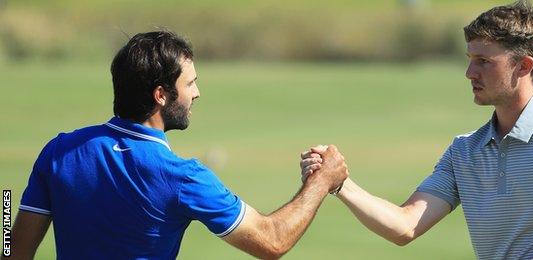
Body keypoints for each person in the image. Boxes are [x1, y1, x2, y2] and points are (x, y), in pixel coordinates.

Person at [301, 1, 533, 258]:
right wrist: (340, 183)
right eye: (469, 59)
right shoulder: (465, 151)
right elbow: (405, 226)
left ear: (524, 66)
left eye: (484, 61)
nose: (469, 72)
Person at [8, 30, 348, 260]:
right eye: (190, 84)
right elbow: (272, 240)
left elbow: (13, 251)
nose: (197, 93)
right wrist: (321, 181)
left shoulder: (59, 151)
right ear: (161, 95)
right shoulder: (182, 178)